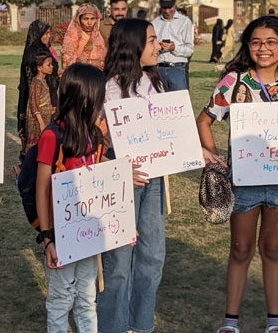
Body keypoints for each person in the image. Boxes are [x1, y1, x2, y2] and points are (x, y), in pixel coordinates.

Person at [196, 16, 278, 333]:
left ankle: (274, 322)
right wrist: (212, 158)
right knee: (240, 249)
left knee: (273, 248)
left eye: (270, 42)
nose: (263, 48)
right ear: (247, 45)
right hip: (244, 181)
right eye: (255, 42)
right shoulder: (235, 82)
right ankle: (230, 322)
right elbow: (204, 120)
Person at [96, 18, 165, 333]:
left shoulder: (156, 82)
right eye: (151, 40)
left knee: (152, 254)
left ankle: (141, 323)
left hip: (154, 180)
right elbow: (90, 138)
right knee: (120, 261)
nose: (158, 46)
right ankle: (113, 324)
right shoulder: (107, 88)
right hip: (121, 180)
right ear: (132, 46)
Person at [35, 62, 106, 333]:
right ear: (86, 98)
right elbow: (42, 189)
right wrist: (47, 238)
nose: (103, 103)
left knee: (87, 299)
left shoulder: (95, 135)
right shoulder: (53, 136)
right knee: (61, 298)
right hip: (61, 234)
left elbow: (103, 186)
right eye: (100, 96)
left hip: (86, 234)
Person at [17, 20, 59, 161]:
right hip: (38, 105)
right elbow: (31, 85)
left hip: (47, 99)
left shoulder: (44, 49)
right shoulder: (32, 54)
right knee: (34, 141)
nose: (49, 36)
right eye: (46, 33)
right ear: (38, 34)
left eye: (49, 33)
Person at [151, 0, 194, 91]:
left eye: (170, 7)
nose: (167, 11)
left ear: (175, 3)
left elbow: (190, 49)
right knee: (158, 103)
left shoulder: (185, 22)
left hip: (177, 69)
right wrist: (157, 47)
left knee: (179, 104)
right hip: (158, 69)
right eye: (164, 8)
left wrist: (174, 47)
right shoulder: (154, 23)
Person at [25, 51, 56, 151]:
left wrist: (49, 109)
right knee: (37, 147)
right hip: (37, 121)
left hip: (44, 117)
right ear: (39, 68)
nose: (52, 67)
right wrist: (41, 123)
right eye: (49, 65)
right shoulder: (36, 83)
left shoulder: (44, 81)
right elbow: (34, 103)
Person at [61, 3, 106, 72]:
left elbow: (103, 61)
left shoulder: (98, 37)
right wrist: (91, 62)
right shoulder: (73, 36)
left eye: (92, 19)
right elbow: (68, 61)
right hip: (78, 76)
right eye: (85, 19)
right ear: (79, 19)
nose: (89, 23)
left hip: (97, 77)